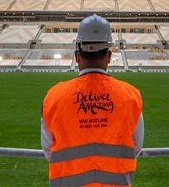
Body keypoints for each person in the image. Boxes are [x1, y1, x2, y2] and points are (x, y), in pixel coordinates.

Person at [41, 14, 145, 186]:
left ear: (77, 56)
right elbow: (135, 148)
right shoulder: (130, 96)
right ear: (108, 57)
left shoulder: (53, 97)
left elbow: (49, 151)